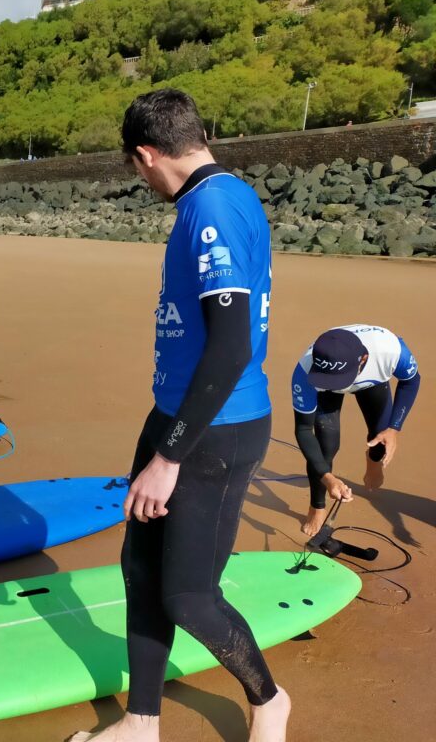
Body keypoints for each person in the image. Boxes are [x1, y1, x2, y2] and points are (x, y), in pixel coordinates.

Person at [71, 89, 288, 742]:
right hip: (176, 415)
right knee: (140, 570)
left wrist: (169, 459)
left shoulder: (213, 208)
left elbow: (231, 343)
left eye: (136, 168)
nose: (140, 179)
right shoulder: (220, 196)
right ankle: (141, 724)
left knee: (189, 595)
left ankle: (269, 700)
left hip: (214, 431)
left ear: (146, 154)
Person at [292, 324, 421, 536]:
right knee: (327, 446)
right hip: (325, 391)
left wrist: (394, 429)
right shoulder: (306, 370)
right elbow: (304, 430)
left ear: (363, 359)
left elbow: (411, 380)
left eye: (338, 381)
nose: (336, 385)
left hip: (372, 383)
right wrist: (328, 477)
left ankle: (373, 462)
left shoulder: (390, 349)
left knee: (380, 437)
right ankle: (317, 507)